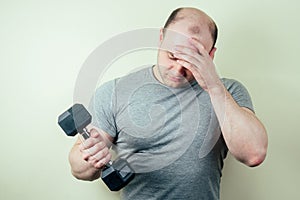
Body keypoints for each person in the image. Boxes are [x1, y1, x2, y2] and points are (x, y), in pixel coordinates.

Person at [68, 7, 268, 200]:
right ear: (161, 38)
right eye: (172, 56)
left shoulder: (229, 93)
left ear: (211, 55)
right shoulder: (114, 92)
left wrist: (214, 86)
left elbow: (254, 154)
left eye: (193, 60)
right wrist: (90, 157)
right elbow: (80, 169)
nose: (178, 69)